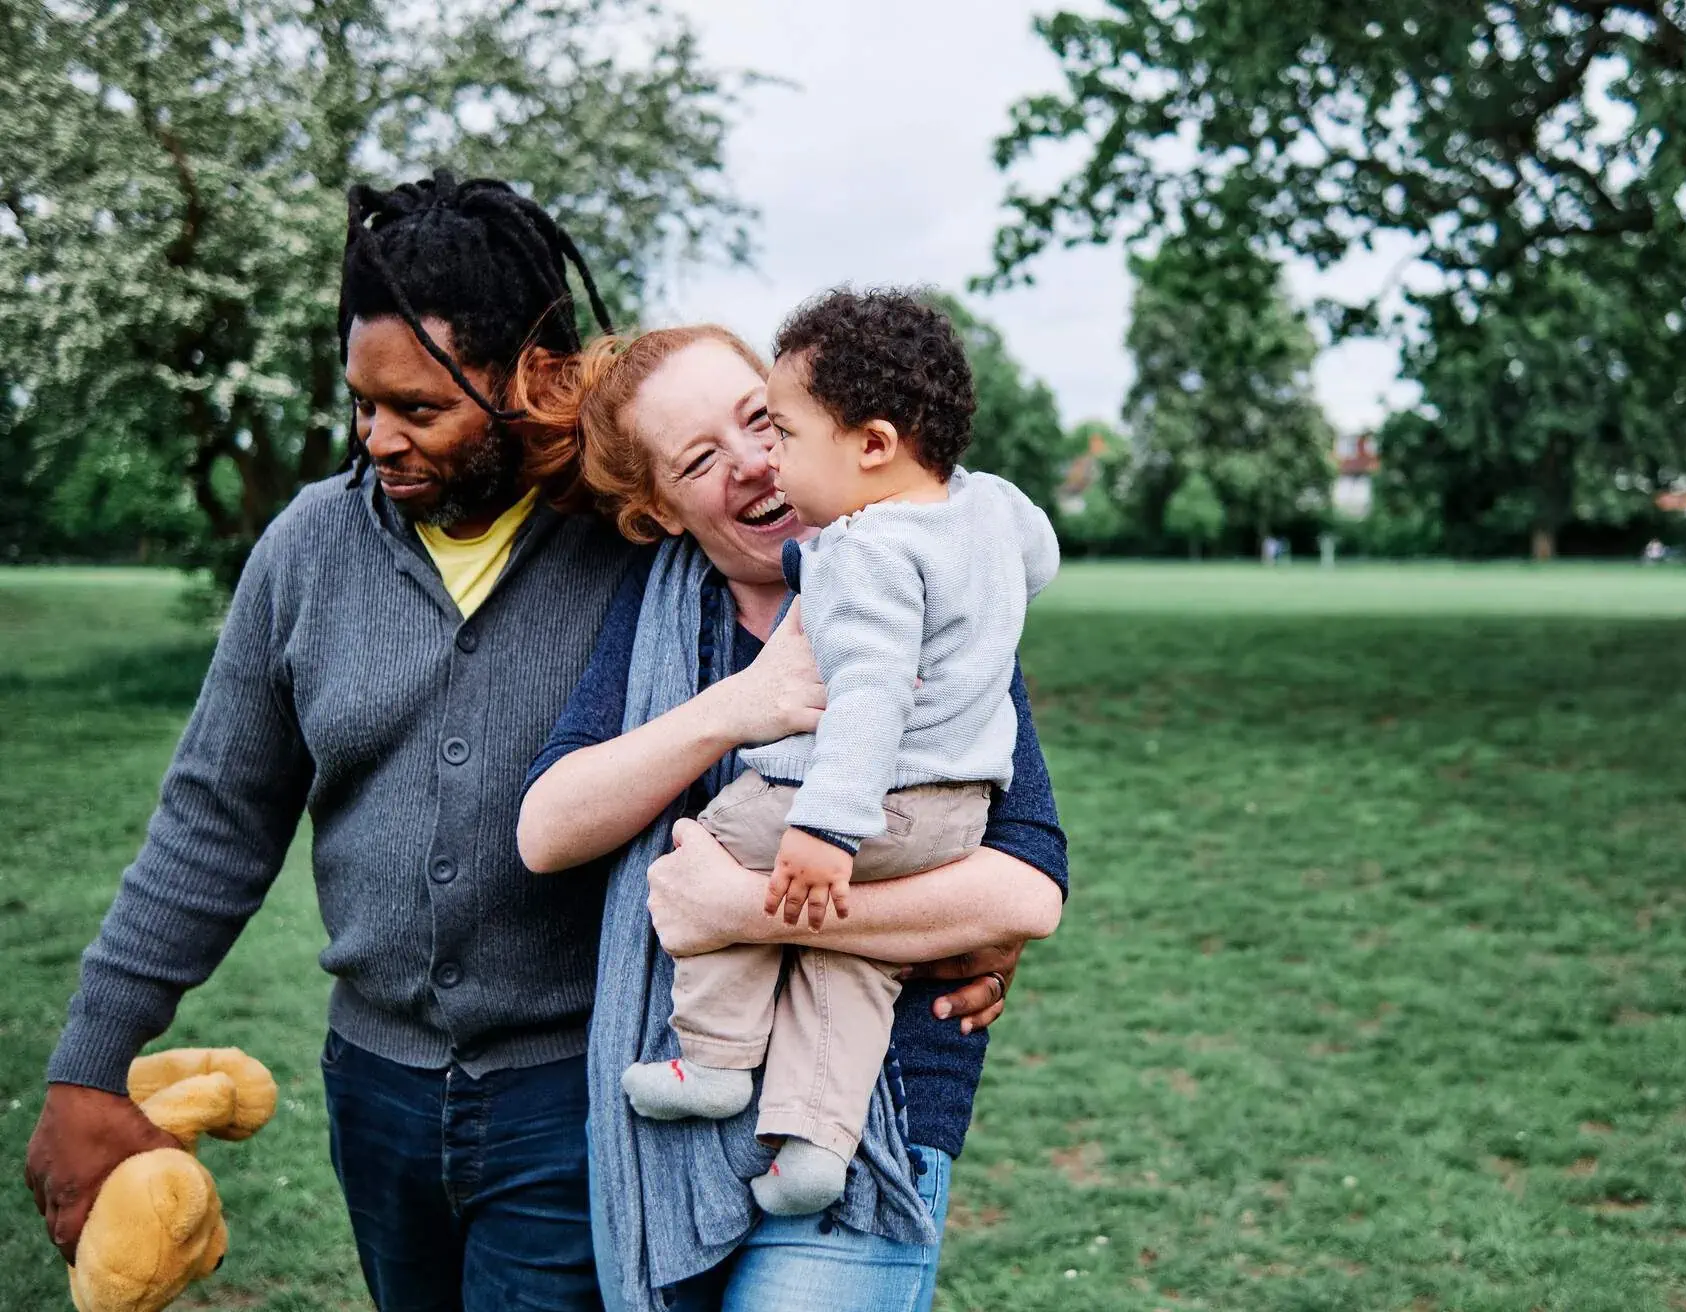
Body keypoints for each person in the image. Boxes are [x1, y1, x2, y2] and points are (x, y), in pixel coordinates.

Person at [17, 174, 1018, 1312]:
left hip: (570, 1096)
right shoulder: (308, 554)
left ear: (532, 379)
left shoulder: (637, 538)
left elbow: (909, 626)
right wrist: (90, 1060)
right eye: (362, 403)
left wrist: (952, 904)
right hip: (375, 1087)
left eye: (419, 409)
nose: (377, 440)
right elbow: (214, 822)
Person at [512, 322, 1069, 1312]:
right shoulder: (659, 623)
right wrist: (742, 705)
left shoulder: (932, 596)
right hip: (665, 1151)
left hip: (877, 1123)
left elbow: (1022, 891)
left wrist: (740, 909)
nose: (754, 461)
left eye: (761, 420)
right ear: (659, 514)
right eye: (699, 459)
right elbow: (547, 826)